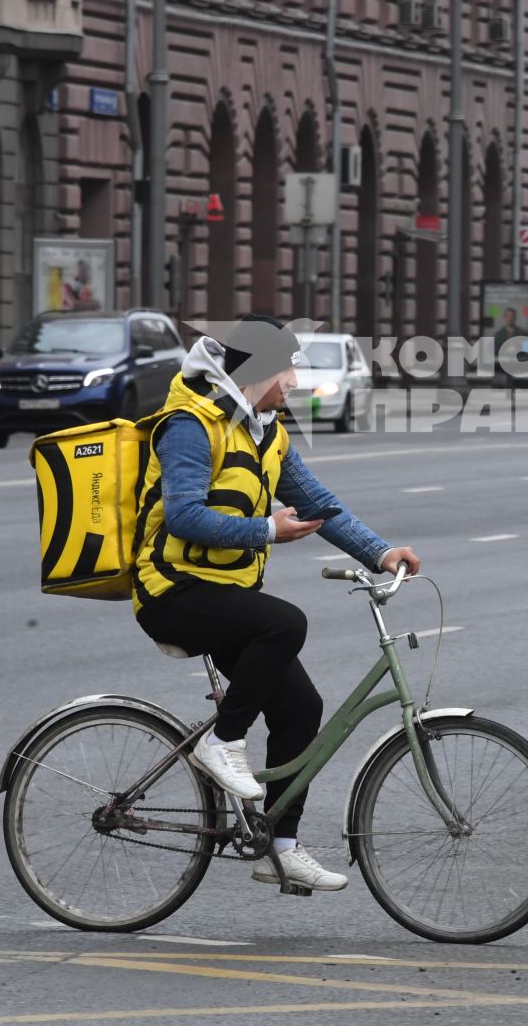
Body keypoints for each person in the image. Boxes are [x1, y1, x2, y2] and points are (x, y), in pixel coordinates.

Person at [131, 316, 422, 893]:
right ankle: (221, 743)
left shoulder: (266, 432)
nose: (293, 381)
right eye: (285, 368)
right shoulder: (190, 424)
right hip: (170, 590)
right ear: (253, 370)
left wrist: (381, 553)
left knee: (301, 707)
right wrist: (265, 529)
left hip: (225, 594)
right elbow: (185, 514)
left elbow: (319, 504)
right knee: (286, 622)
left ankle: (280, 848)